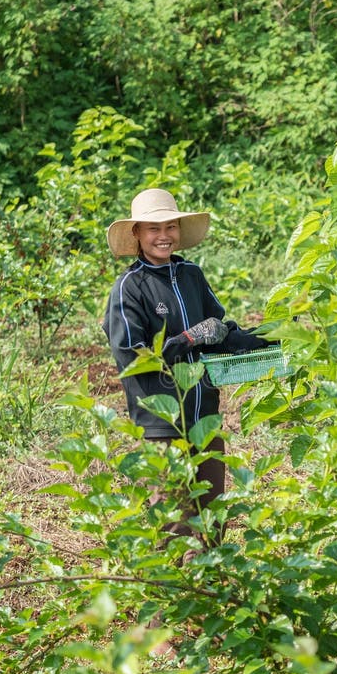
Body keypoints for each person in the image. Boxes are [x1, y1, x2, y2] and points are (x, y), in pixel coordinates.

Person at [102, 187, 267, 553]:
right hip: (163, 426)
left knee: (212, 524)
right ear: (137, 235)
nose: (164, 236)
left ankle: (210, 603)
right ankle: (170, 606)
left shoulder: (191, 274)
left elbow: (218, 330)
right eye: (153, 229)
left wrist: (264, 340)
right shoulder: (129, 287)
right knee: (174, 528)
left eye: (171, 226)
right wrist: (188, 339)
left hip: (204, 418)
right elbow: (132, 357)